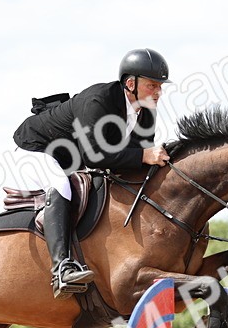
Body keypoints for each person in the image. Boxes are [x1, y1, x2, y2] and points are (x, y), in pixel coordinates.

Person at [13, 48, 173, 296]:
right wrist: (144, 155)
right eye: (153, 85)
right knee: (63, 187)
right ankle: (62, 270)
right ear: (131, 84)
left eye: (160, 86)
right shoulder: (99, 100)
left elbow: (137, 160)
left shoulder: (146, 111)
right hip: (37, 147)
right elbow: (95, 156)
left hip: (71, 157)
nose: (159, 92)